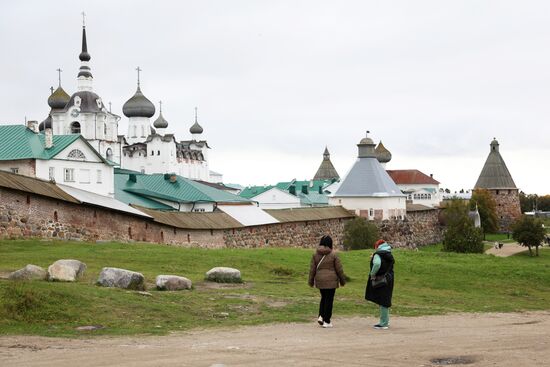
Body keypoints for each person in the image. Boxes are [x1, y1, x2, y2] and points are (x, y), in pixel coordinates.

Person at [308, 235, 346, 328]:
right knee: (329, 300)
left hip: (320, 280)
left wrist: (311, 281)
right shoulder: (334, 255)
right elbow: (339, 269)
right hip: (331, 281)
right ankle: (327, 321)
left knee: (324, 298)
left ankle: (321, 316)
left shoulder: (315, 254)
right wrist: (342, 280)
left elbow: (312, 269)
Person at [365, 239, 395, 330]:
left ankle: (383, 323)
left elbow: (377, 264)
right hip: (389, 278)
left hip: (381, 279)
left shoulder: (378, 254)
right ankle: (386, 321)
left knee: (382, 301)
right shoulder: (388, 253)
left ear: (377, 246)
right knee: (385, 299)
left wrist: (372, 274)